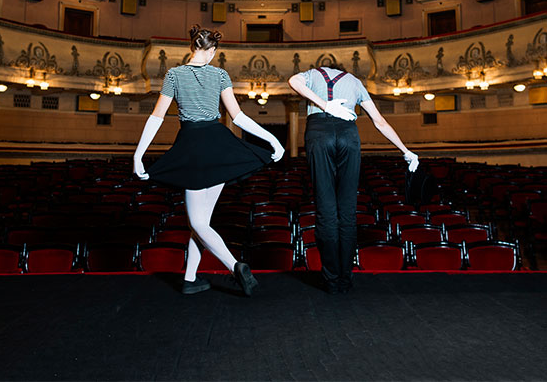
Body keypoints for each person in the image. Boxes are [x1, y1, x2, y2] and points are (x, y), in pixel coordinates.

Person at [132, 25, 285, 297]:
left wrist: (139, 154)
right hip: (218, 145)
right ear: (212, 51)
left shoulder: (174, 74)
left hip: (192, 146)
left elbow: (156, 117)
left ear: (192, 47)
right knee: (201, 222)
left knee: (199, 223)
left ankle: (235, 265)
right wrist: (272, 139)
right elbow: (238, 117)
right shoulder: (221, 74)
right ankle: (190, 279)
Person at [287, 67, 418, 294]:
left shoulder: (313, 73)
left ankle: (330, 280)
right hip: (348, 133)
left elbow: (293, 81)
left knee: (326, 210)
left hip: (319, 130)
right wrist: (406, 151)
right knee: (347, 211)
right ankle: (345, 280)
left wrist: (325, 105)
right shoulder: (355, 81)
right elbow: (379, 121)